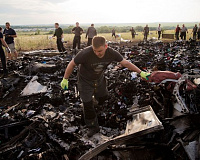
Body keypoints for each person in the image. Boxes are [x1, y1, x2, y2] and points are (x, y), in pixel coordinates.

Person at [60, 36, 151, 137]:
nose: (97, 53)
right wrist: (65, 79)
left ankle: (98, 110)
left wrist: (140, 72)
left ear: (106, 46)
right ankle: (92, 126)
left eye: (100, 51)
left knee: (103, 97)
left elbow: (125, 63)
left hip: (99, 79)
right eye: (95, 50)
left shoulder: (111, 53)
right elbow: (72, 64)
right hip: (85, 81)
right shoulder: (85, 53)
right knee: (87, 103)